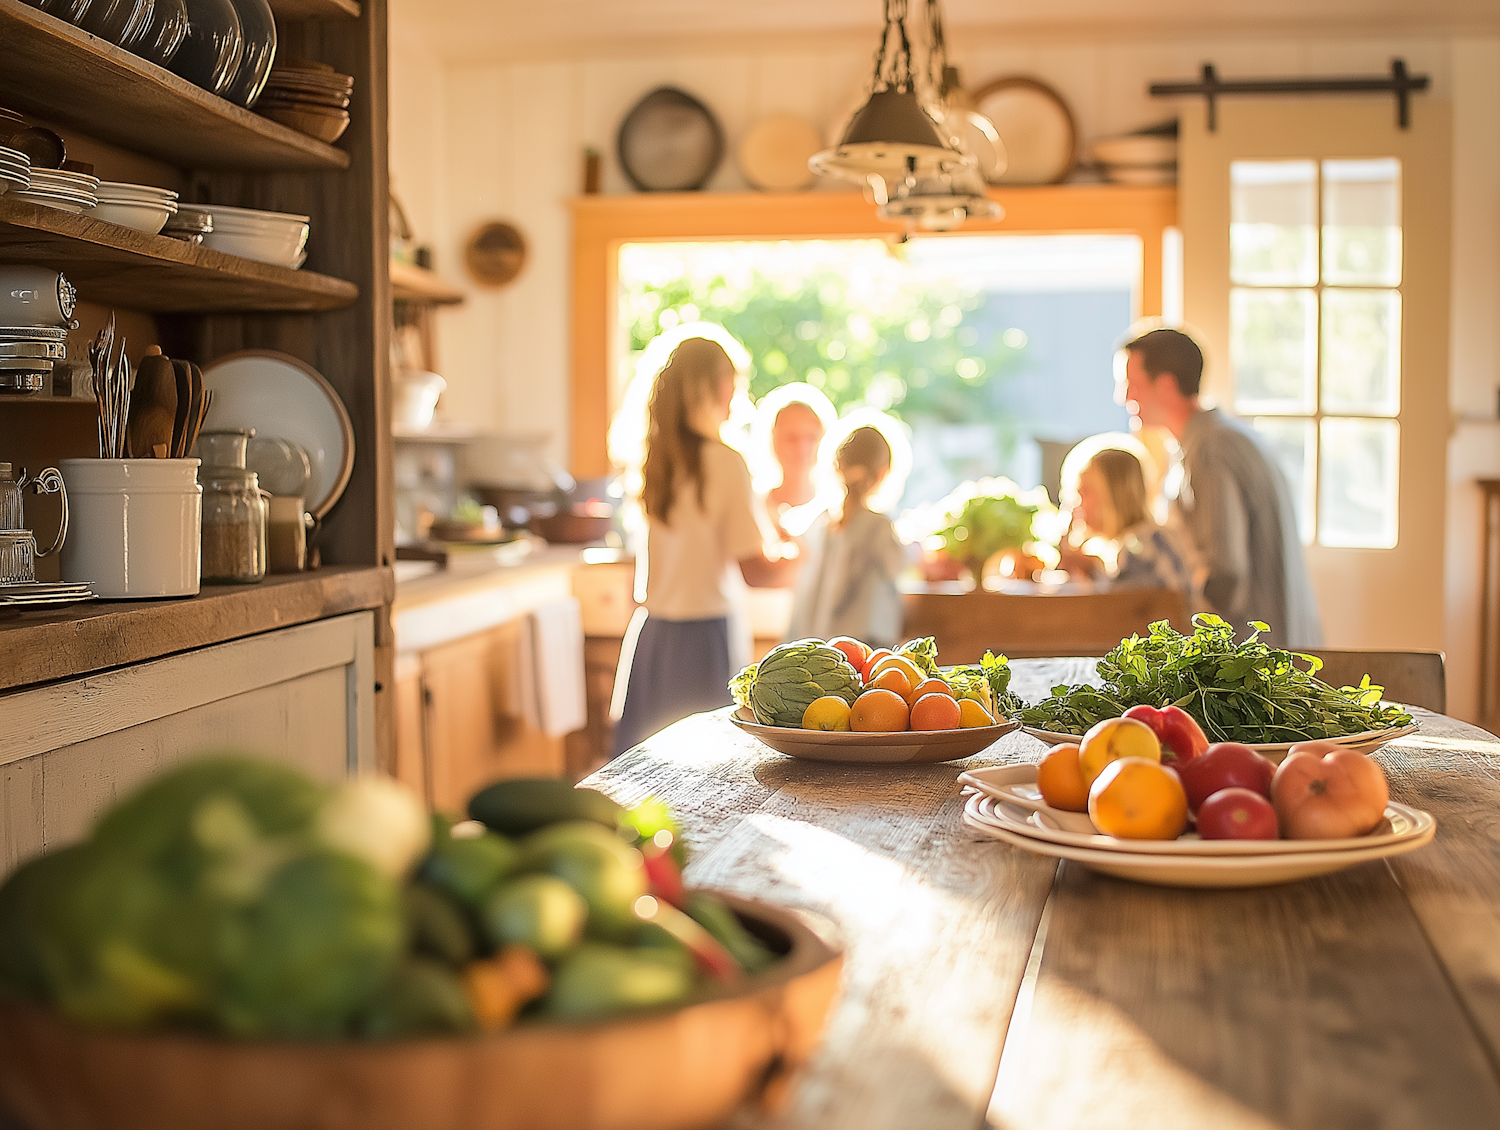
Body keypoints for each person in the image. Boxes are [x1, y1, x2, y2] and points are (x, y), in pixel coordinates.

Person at [610, 333, 793, 756]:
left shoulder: (655, 458)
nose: (737, 396)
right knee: (709, 771)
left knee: (649, 771)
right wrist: (806, 555)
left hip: (652, 636)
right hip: (704, 638)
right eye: (733, 383)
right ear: (710, 386)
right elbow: (756, 571)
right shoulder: (725, 461)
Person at [1118, 326, 1322, 646]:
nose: (1124, 397)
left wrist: (1194, 645)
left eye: (1131, 385)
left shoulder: (1209, 451)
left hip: (1254, 652)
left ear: (1167, 385)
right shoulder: (1219, 438)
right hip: (1277, 639)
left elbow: (1224, 571)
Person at [786, 417, 908, 648]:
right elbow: (898, 566)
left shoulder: (822, 524)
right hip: (863, 648)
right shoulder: (877, 526)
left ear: (838, 466)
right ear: (883, 473)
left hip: (819, 646)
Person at [1058, 444, 1196, 601]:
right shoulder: (1150, 537)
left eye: (1086, 491)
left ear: (1112, 494)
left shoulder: (1143, 543)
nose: (1077, 503)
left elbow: (1120, 612)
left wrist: (1092, 570)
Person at [751, 383, 838, 540]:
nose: (802, 448)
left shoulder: (836, 513)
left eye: (811, 437)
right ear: (772, 440)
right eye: (791, 438)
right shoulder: (753, 508)